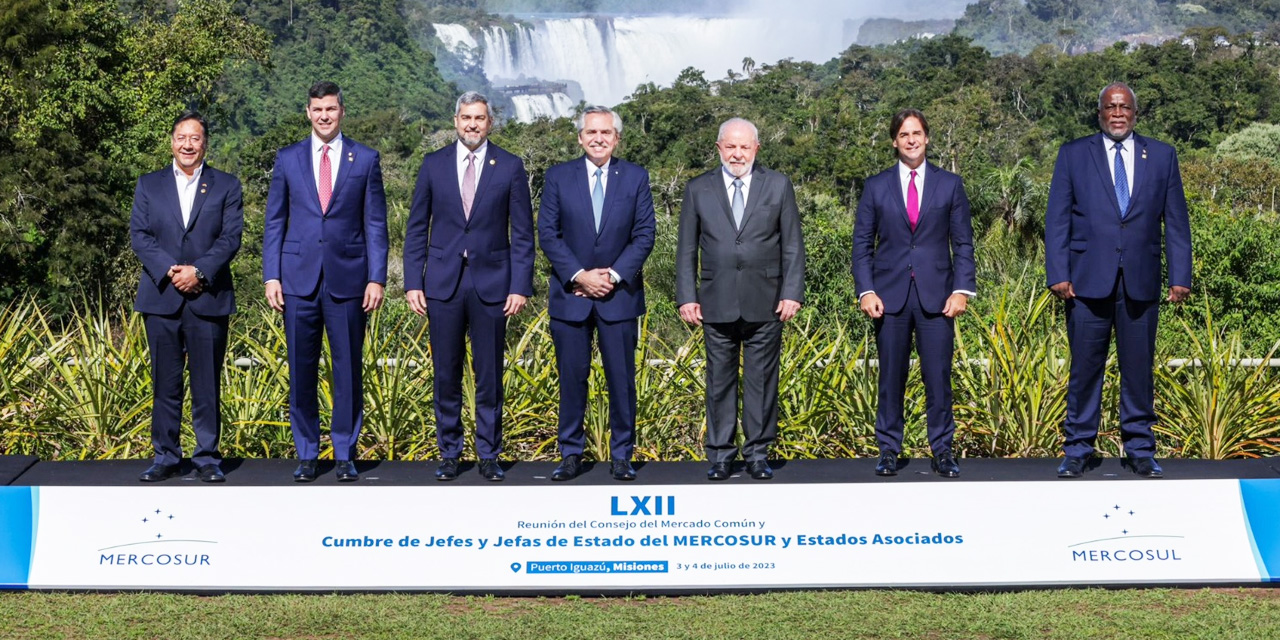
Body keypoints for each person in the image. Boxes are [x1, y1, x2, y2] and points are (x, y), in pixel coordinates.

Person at [1045, 82, 1192, 479]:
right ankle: (1077, 449)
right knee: (1085, 370)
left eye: (1124, 107)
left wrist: (1180, 276)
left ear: (1135, 113)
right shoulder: (1074, 154)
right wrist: (1057, 272)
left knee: (1139, 370)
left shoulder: (1162, 155)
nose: (1117, 113)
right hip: (1086, 282)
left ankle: (1140, 449)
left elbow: (1176, 221)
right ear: (1100, 114)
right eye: (1110, 107)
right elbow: (1057, 218)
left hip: (1140, 282)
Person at [404, 91, 535, 482]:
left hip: (493, 285)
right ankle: (449, 452)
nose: (472, 124)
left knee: (490, 373)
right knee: (446, 371)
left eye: (479, 118)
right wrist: (413, 282)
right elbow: (416, 229)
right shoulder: (433, 164)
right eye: (466, 118)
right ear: (456, 121)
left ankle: (489, 453)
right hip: (442, 284)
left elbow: (523, 234)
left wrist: (520, 285)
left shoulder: (509, 166)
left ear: (490, 122)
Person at [263, 81, 388, 483]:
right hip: (297, 279)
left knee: (348, 368)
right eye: (317, 109)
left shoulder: (365, 159)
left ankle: (345, 452)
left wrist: (376, 277)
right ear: (308, 112)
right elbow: (275, 222)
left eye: (331, 109)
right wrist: (271, 275)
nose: (324, 116)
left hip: (349, 280)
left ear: (342, 111)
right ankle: (306, 453)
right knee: (301, 368)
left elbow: (375, 223)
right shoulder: (287, 159)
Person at [675, 117, 805, 481]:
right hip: (714, 301)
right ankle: (719, 455)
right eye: (730, 146)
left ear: (756, 149)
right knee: (719, 381)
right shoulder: (697, 189)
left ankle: (758, 454)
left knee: (762, 380)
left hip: (767, 301)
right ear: (718, 148)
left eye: (744, 146)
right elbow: (685, 249)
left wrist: (792, 292)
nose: (737, 153)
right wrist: (687, 295)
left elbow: (793, 244)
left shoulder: (778, 186)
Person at [852, 108, 975, 478]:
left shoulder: (949, 184)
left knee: (938, 377)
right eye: (904, 134)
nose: (911, 139)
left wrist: (962, 290)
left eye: (917, 133)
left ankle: (943, 451)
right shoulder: (876, 186)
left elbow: (963, 243)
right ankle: (889, 450)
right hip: (888, 299)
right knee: (890, 378)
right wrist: (866, 291)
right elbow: (862, 245)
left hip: (938, 298)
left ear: (927, 137)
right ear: (894, 140)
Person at [538, 106, 656, 482]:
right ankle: (570, 454)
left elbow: (644, 235)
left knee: (621, 380)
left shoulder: (635, 177)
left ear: (617, 138)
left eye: (606, 132)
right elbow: (548, 234)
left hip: (618, 298)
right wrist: (580, 276)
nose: (598, 138)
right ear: (579, 137)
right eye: (591, 132)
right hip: (571, 296)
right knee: (572, 379)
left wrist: (614, 276)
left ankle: (622, 456)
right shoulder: (558, 177)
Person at [130, 111, 243, 483]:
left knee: (207, 382)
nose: (188, 144)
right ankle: (165, 455)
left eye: (195, 138)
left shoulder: (226, 185)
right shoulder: (149, 184)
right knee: (165, 382)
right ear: (172, 142)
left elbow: (230, 238)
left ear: (205, 143)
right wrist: (172, 271)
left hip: (207, 296)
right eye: (182, 137)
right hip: (161, 296)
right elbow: (140, 236)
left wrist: (199, 272)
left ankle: (207, 456)